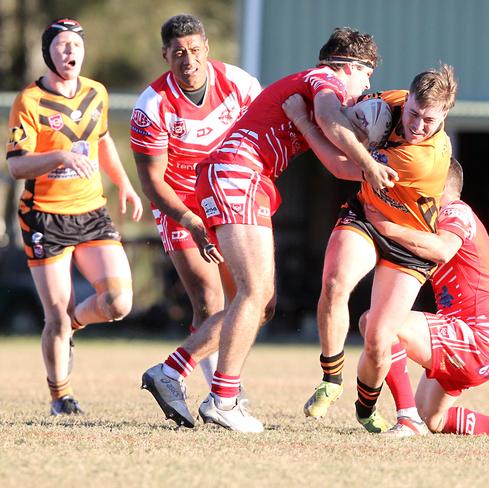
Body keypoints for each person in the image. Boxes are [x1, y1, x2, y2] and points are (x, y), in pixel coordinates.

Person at [141, 27, 393, 432]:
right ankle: (223, 399)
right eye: (367, 77)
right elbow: (332, 119)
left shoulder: (310, 102)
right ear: (350, 67)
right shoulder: (322, 80)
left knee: (265, 303)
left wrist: (369, 164)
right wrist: (368, 158)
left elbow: (337, 165)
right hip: (237, 174)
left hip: (245, 178)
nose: (367, 88)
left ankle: (172, 372)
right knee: (253, 292)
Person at [292, 65, 457, 432]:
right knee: (335, 282)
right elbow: (342, 115)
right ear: (408, 98)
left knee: (379, 339)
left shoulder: (424, 157)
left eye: (429, 120)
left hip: (407, 237)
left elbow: (339, 165)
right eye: (414, 112)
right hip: (368, 215)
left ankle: (365, 408)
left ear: (445, 115)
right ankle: (331, 378)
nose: (417, 125)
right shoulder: (392, 102)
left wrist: (305, 123)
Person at [5, 18, 143, 415]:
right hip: (44, 217)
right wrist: (62, 156)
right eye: (63, 46)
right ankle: (60, 396)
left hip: (91, 211)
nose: (71, 52)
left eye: (77, 46)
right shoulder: (29, 101)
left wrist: (126, 184)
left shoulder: (96, 93)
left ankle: (74, 325)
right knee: (54, 317)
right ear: (49, 52)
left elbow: (102, 142)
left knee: (118, 302)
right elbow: (16, 167)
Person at [362, 159, 489, 437]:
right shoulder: (444, 220)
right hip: (477, 345)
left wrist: (387, 228)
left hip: (472, 339)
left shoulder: (455, 212)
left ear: (435, 181)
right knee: (433, 420)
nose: (413, 187)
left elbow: (442, 250)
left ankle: (406, 420)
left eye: (419, 177)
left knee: (378, 324)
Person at [131, 14, 261, 386]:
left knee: (257, 300)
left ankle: (210, 382)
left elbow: (264, 131)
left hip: (228, 196)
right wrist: (190, 220)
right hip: (180, 204)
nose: (188, 60)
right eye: (178, 53)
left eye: (193, 50)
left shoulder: (238, 83)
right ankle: (220, 389)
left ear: (206, 48)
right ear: (165, 55)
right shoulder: (151, 105)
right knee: (208, 300)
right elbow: (153, 182)